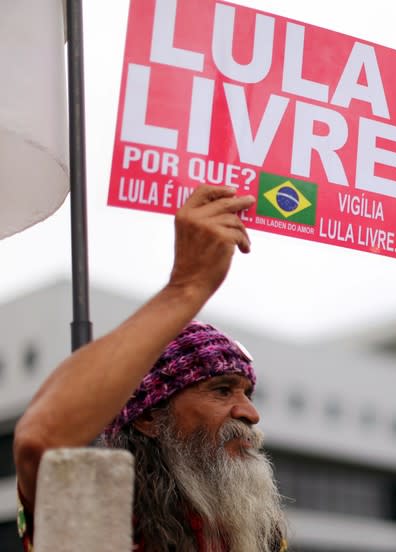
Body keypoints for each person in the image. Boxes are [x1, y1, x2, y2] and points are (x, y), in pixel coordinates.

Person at [13, 185, 287, 551]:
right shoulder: (108, 517)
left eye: (246, 393)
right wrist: (185, 289)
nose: (250, 414)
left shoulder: (258, 535)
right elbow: (41, 440)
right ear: (148, 419)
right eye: (222, 390)